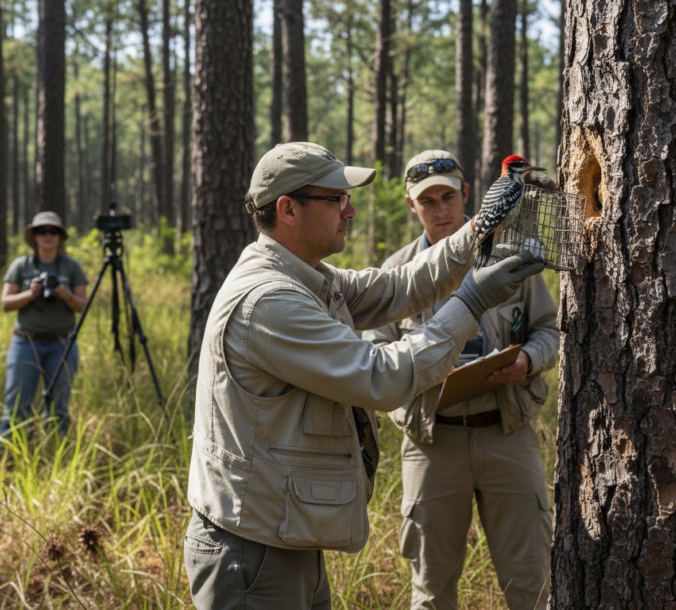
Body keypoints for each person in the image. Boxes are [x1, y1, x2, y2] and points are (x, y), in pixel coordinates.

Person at [182, 142, 545, 610]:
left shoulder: (307, 277)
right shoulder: (271, 301)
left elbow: (397, 287)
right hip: (252, 552)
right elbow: (381, 377)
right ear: (288, 209)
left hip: (281, 535)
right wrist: (472, 301)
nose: (349, 211)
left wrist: (477, 230)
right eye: (336, 199)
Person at [363, 150, 560, 610]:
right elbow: (373, 360)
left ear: (466, 194)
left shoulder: (512, 254)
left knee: (533, 583)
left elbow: (549, 329)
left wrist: (528, 361)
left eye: (447, 197)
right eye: (427, 201)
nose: (440, 210)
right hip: (433, 443)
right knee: (432, 592)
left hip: (507, 432)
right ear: (412, 206)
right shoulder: (396, 275)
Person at [0, 211, 88, 437]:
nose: (48, 235)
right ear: (34, 237)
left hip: (62, 344)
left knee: (59, 406)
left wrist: (64, 293)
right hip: (25, 343)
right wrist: (30, 294)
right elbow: (6, 303)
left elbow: (83, 306)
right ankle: (11, 457)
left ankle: (57, 455)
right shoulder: (21, 265)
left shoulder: (71, 266)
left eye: (53, 231)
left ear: (60, 237)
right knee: (17, 404)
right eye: (42, 231)